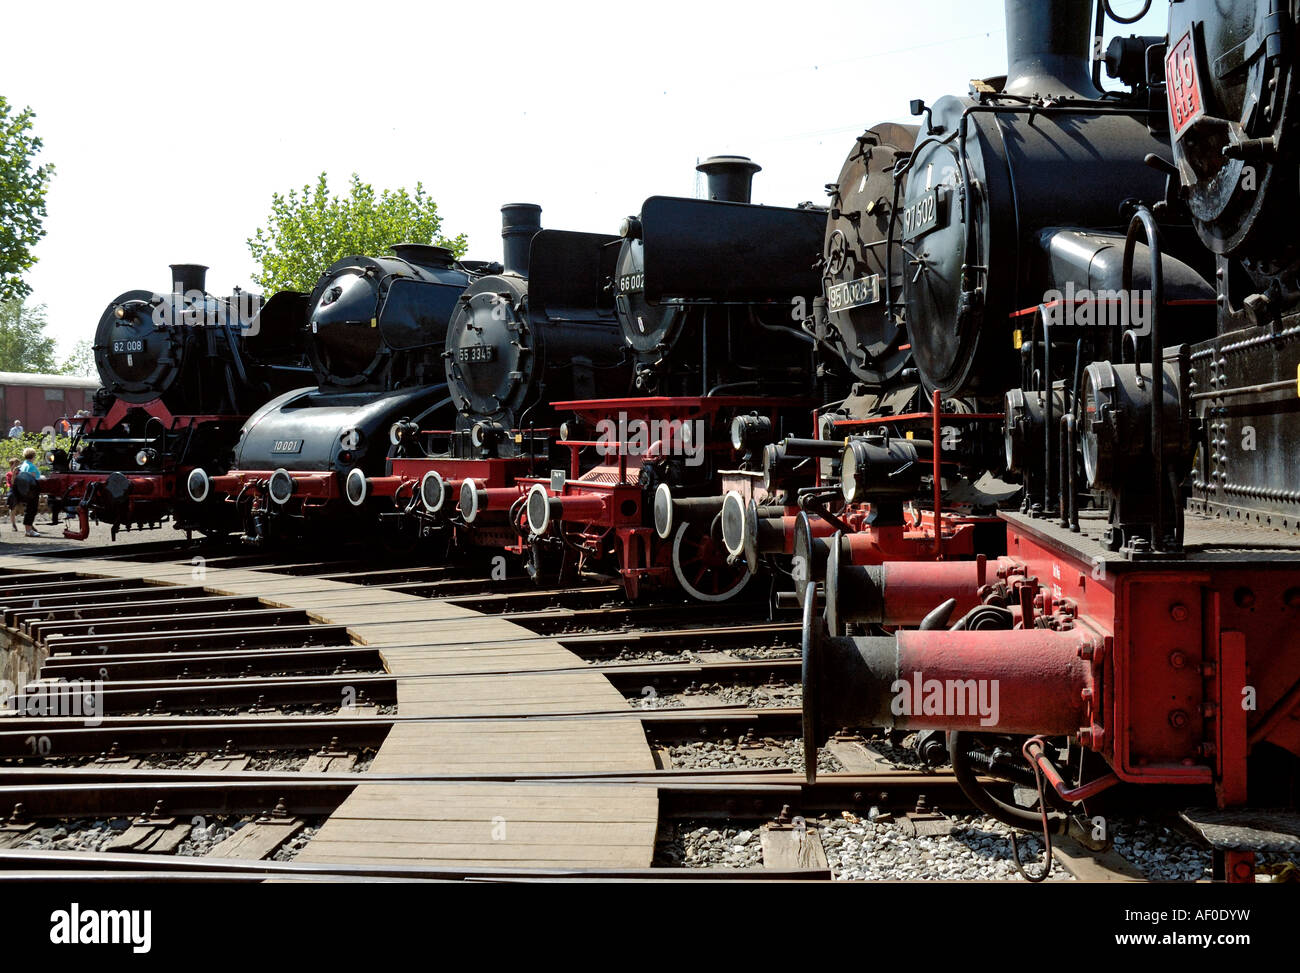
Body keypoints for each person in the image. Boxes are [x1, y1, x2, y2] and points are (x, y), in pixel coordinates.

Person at [16, 447, 42, 537]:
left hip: (24, 490)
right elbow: (34, 478)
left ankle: (29, 528)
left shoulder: (23, 465)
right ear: (33, 456)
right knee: (32, 510)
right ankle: (29, 530)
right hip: (32, 490)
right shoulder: (31, 466)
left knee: (29, 510)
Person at [5, 458, 19, 531]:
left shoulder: (20, 472)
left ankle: (29, 524)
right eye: (15, 464)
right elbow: (12, 483)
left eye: (17, 464)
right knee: (12, 508)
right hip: (13, 490)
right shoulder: (8, 474)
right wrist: (14, 473)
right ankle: (13, 524)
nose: (17, 466)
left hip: (20, 490)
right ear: (11, 465)